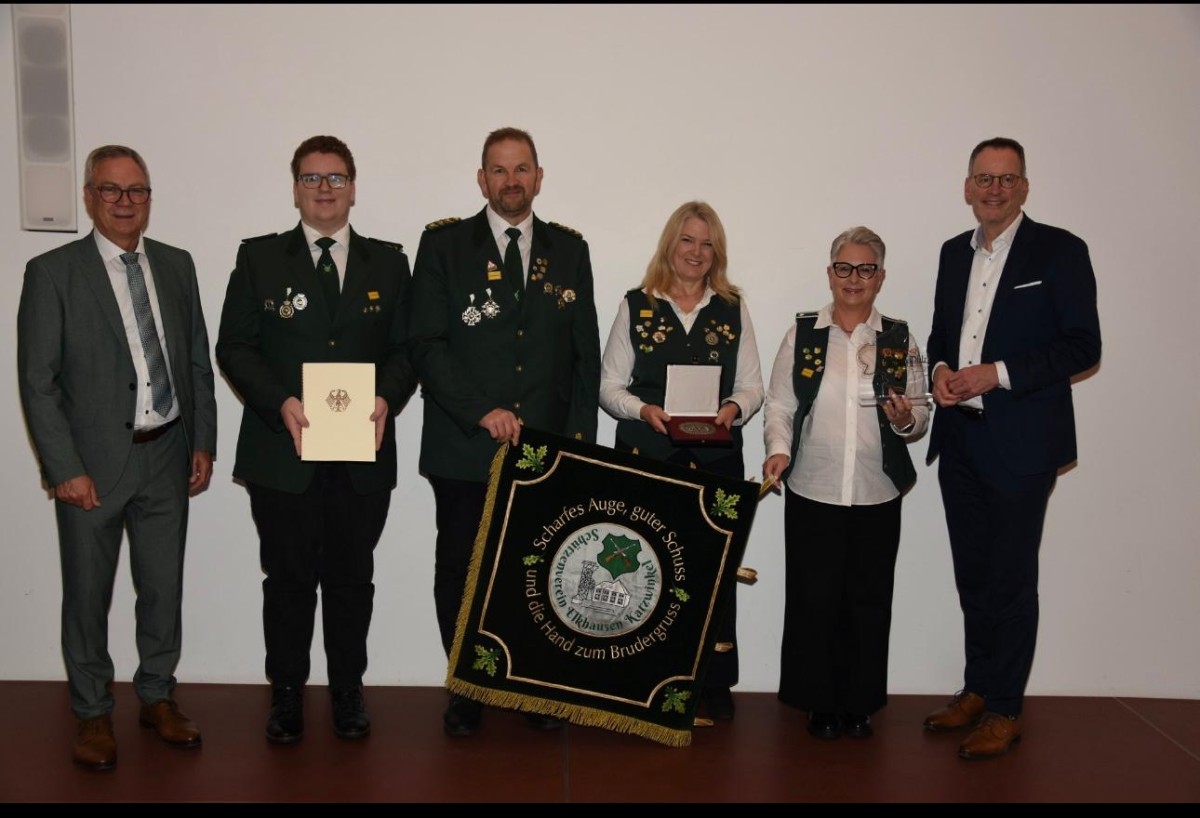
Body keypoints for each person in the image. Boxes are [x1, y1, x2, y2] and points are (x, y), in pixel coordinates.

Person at [17, 145, 217, 770]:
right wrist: (63, 467)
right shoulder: (52, 273)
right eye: (111, 190)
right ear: (88, 197)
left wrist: (203, 442)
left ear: (150, 198)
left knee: (162, 589)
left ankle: (156, 696)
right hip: (92, 467)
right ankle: (91, 710)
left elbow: (194, 363)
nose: (125, 202)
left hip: (167, 455)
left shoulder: (178, 266)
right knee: (86, 594)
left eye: (137, 191)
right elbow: (38, 381)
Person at [215, 135, 416, 744]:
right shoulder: (259, 259)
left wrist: (387, 396)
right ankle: (286, 694)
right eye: (311, 178)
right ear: (295, 187)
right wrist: (280, 402)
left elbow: (410, 349)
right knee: (288, 579)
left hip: (362, 454)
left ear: (353, 187)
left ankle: (348, 691)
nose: (324, 189)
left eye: (335, 178)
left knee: (353, 579)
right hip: (284, 453)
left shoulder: (390, 261)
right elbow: (235, 346)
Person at [409, 126, 600, 737]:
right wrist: (480, 409)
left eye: (522, 169)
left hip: (544, 449)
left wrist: (574, 445)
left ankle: (531, 684)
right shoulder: (443, 246)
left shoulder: (570, 250)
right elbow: (427, 344)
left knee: (536, 572)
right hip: (463, 443)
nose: (511, 181)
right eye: (498, 169)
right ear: (481, 179)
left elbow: (583, 357)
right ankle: (467, 687)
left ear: (539, 178)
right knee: (462, 570)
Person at [923, 137, 1101, 759]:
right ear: (967, 187)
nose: (994, 189)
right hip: (960, 438)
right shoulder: (951, 253)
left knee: (1011, 579)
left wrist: (993, 372)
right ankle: (977, 688)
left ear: (1024, 187)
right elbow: (941, 334)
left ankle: (1004, 708)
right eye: (983, 178)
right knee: (973, 574)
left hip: (1023, 443)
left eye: (1006, 179)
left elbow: (1083, 347)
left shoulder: (1060, 251)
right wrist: (943, 369)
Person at [762, 226, 928, 740]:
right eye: (844, 268)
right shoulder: (803, 333)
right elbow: (780, 406)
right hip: (814, 486)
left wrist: (904, 419)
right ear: (829, 273)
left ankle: (857, 704)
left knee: (868, 601)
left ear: (880, 277)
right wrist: (778, 451)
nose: (854, 279)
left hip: (876, 491)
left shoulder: (899, 337)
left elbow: (920, 418)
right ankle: (819, 704)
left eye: (866, 269)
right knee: (814, 599)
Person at [600, 200, 763, 722]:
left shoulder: (733, 307)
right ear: (671, 243)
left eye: (707, 243)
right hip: (648, 457)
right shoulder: (637, 304)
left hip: (715, 462)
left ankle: (713, 684)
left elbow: (752, 387)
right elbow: (608, 388)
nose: (696, 252)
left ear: (718, 252)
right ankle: (645, 677)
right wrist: (642, 410)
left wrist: (734, 409)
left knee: (714, 572)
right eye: (688, 240)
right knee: (644, 569)